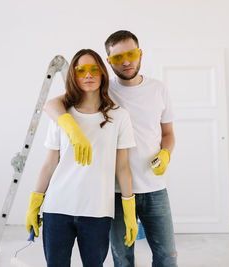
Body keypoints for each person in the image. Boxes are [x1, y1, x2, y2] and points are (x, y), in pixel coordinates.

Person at [43, 30, 178, 267]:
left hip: (154, 187)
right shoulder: (102, 88)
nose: (126, 62)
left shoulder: (159, 89)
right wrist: (71, 129)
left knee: (167, 256)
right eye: (117, 58)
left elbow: (168, 134)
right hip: (114, 191)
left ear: (140, 53)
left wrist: (166, 153)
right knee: (122, 259)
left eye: (131, 54)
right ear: (108, 62)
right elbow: (54, 104)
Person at [25, 48, 139, 267]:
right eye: (81, 70)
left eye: (94, 69)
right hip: (57, 208)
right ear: (74, 77)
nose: (88, 75)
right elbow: (50, 163)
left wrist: (129, 211)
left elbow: (122, 167)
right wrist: (35, 203)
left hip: (97, 210)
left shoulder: (119, 116)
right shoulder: (62, 116)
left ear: (103, 74)